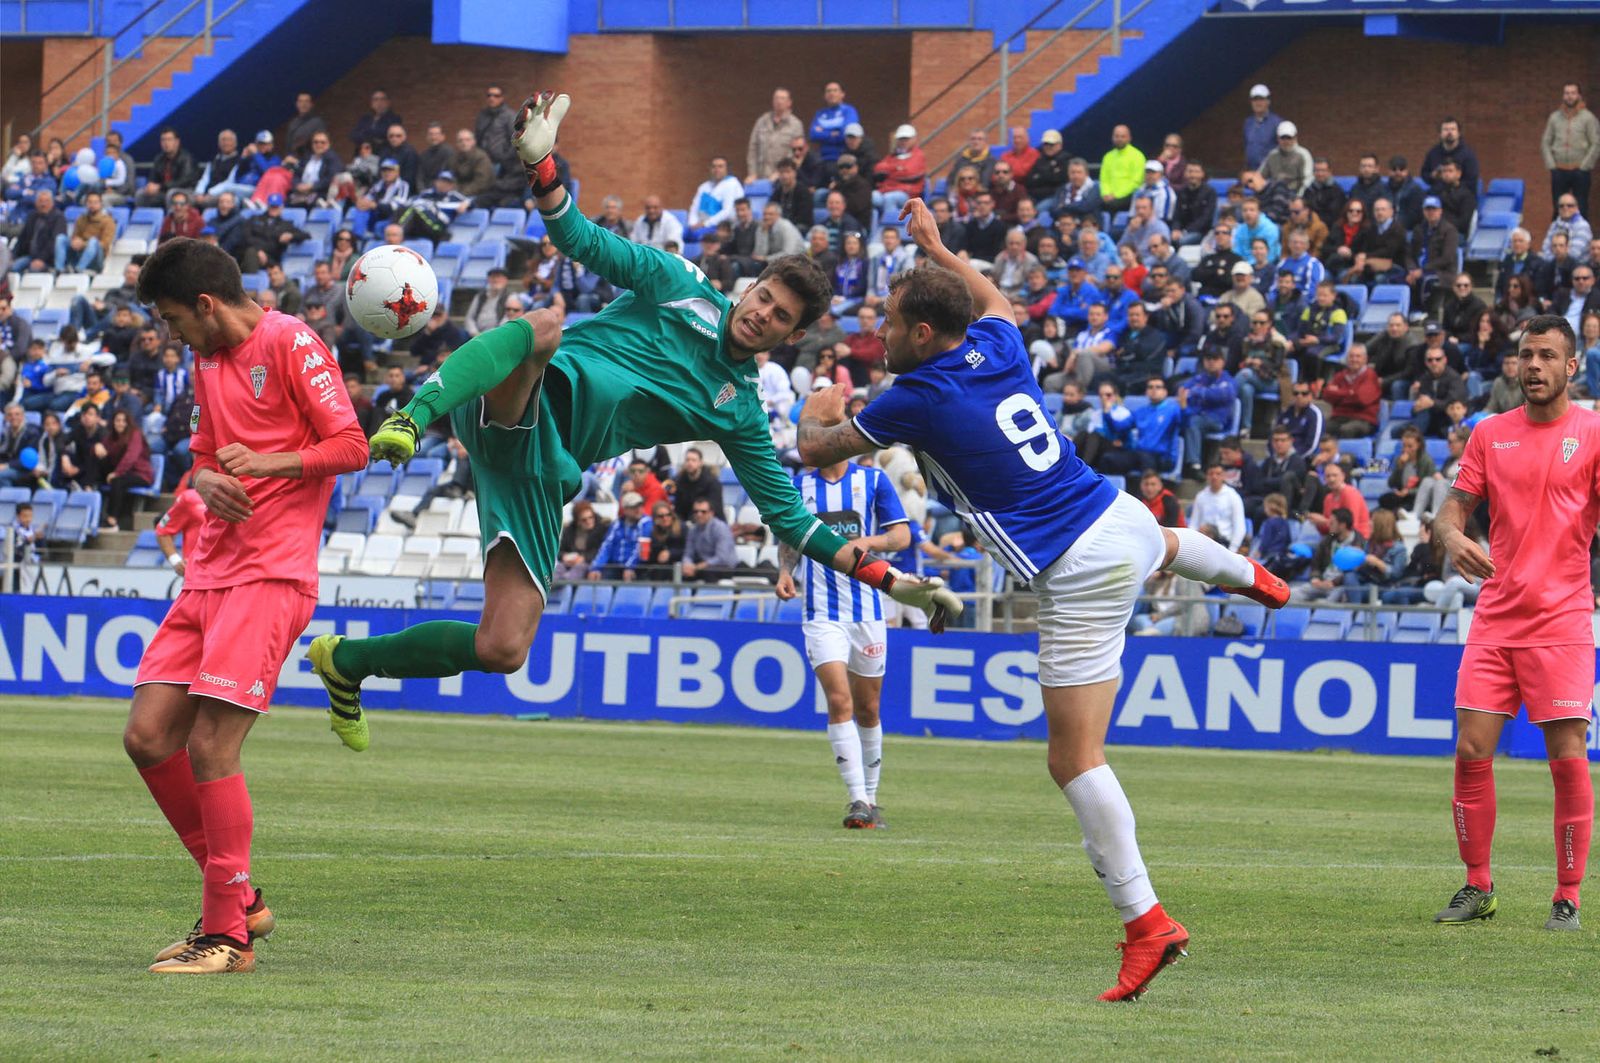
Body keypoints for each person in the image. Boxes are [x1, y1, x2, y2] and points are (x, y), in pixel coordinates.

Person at [307, 92, 957, 734]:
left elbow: (791, 519)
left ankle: (348, 662)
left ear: (791, 337)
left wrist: (890, 579)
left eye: (780, 317)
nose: (762, 314)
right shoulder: (677, 280)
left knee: (503, 647)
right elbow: (578, 236)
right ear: (748, 287)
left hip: (541, 467)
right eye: (762, 297)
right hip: (518, 393)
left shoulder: (740, 410)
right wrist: (541, 165)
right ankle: (414, 416)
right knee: (544, 325)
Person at [795, 195, 1291, 1002]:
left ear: (922, 335)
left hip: (1076, 565)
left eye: (888, 321)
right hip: (1119, 516)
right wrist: (941, 247)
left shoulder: (912, 395)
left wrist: (806, 414)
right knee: (1162, 543)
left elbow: (820, 450)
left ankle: (1146, 922)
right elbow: (996, 298)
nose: (879, 333)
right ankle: (1249, 573)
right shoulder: (994, 338)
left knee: (1073, 757)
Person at [120, 238, 367, 975]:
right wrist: (202, 480)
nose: (169, 335)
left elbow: (352, 444)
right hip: (209, 573)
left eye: (171, 319)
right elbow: (201, 450)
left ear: (205, 304)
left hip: (270, 574)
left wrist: (271, 463)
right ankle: (240, 898)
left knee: (210, 747)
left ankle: (226, 935)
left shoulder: (292, 342)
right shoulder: (206, 358)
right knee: (148, 735)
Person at [1432, 315, 1600, 932]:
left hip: (1561, 620)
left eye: (1547, 356)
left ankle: (1567, 895)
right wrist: (1452, 535)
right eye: (1527, 355)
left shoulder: (1593, 433)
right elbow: (1453, 509)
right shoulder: (1490, 433)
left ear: (1571, 366)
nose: (1534, 366)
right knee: (1471, 750)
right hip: (1496, 619)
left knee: (1566, 756)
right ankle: (1479, 885)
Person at [774, 457, 909, 827]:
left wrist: (866, 542)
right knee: (838, 699)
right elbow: (790, 535)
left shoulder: (872, 480)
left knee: (868, 708)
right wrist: (786, 570)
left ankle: (873, 796)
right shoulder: (801, 485)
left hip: (867, 610)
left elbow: (901, 536)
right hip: (821, 612)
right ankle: (857, 799)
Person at [1544, 83, 1599, 222]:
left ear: (1579, 95)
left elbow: (1596, 143)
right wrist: (1552, 166)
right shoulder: (1554, 117)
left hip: (1580, 171)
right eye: (1567, 93)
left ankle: (1581, 240)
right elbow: (1545, 142)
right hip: (1559, 170)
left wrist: (1585, 166)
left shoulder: (1588, 118)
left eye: (1573, 93)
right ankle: (1558, 240)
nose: (1569, 96)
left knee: (1581, 208)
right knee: (1558, 208)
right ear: (1563, 96)